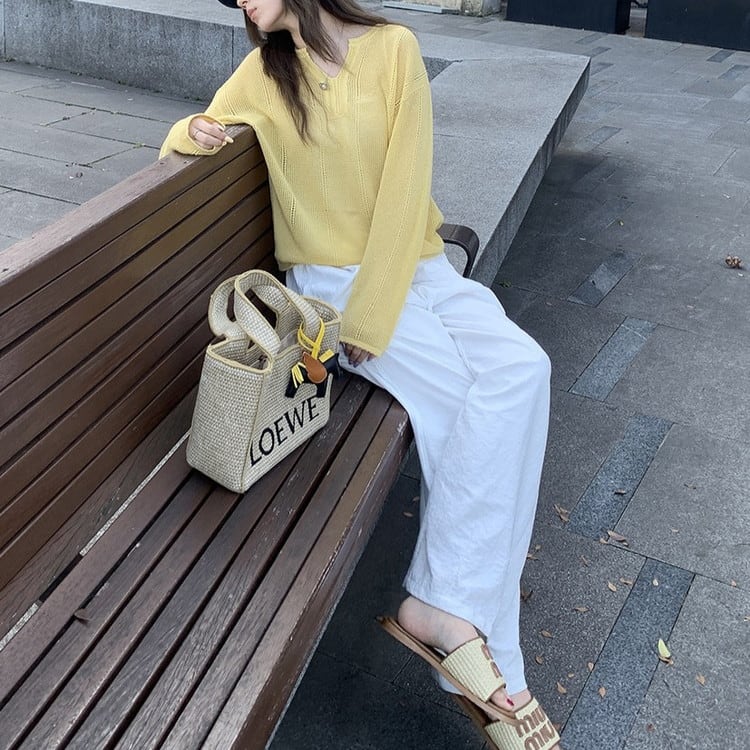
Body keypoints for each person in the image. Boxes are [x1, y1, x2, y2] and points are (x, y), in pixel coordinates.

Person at [160, 1, 558, 748]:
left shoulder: (393, 48)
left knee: (523, 371)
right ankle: (485, 653)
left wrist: (377, 312)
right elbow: (190, 137)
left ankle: (447, 609)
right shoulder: (263, 75)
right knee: (464, 406)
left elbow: (408, 186)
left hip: (413, 267)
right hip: (331, 287)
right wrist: (188, 132)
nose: (240, 0)